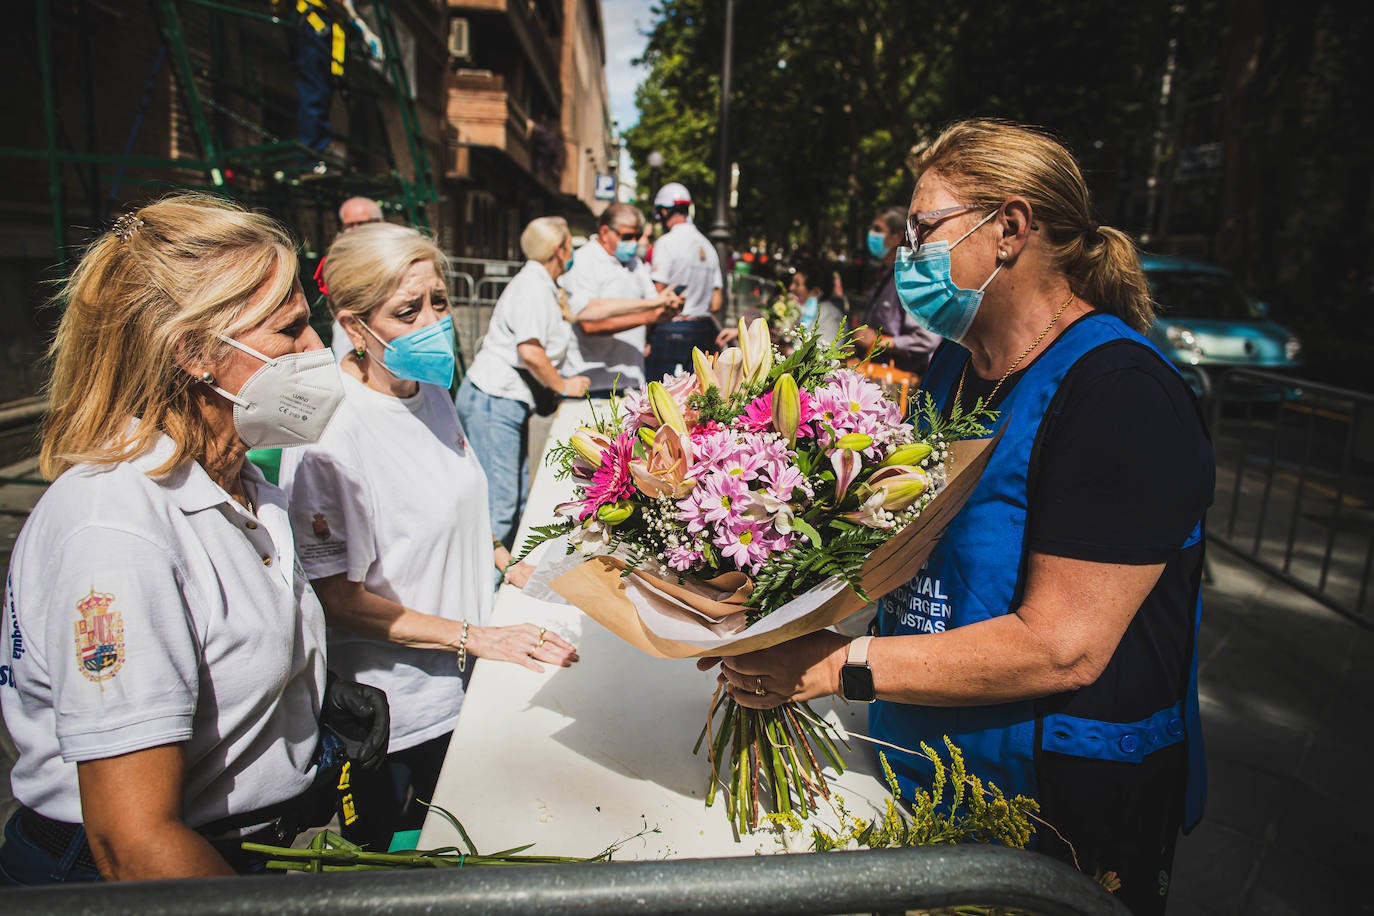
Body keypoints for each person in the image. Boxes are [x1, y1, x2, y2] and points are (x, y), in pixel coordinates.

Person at [706, 118, 1214, 915]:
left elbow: (1062, 647)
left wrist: (837, 664)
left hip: (1054, 811)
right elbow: (910, 538)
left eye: (924, 228)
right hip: (923, 763)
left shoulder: (1121, 394)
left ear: (1009, 229)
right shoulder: (956, 362)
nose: (906, 254)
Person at [0, 194, 389, 884]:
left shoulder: (242, 486)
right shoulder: (117, 529)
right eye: (292, 329)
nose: (316, 351)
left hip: (247, 852)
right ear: (193, 353)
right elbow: (133, 843)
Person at [279, 222, 578, 852]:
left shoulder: (434, 393)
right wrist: (474, 637)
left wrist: (508, 563)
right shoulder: (332, 434)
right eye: (407, 310)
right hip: (402, 720)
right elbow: (340, 600)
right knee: (418, 866)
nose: (433, 320)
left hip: (473, 682)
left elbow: (456, 505)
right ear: (356, 326)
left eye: (438, 301)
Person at [457, 217, 665, 550]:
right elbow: (531, 350)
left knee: (516, 497)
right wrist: (563, 384)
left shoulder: (545, 283)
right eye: (571, 244)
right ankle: (491, 584)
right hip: (494, 401)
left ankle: (499, 577)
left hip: (504, 403)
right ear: (560, 248)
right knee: (501, 506)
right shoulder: (532, 287)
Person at [559, 203, 684, 397]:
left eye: (637, 235)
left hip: (632, 380)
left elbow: (654, 306)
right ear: (605, 232)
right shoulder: (584, 261)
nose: (634, 242)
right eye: (627, 237)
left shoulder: (636, 264)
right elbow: (588, 324)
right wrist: (649, 317)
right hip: (591, 381)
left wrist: (669, 309)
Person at [851, 206, 941, 375]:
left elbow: (927, 340)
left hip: (898, 381)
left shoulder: (912, 279)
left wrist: (880, 342)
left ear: (896, 237)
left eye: (878, 229)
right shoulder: (886, 275)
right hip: (875, 372)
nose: (871, 234)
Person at [647, 182, 723, 381]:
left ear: (663, 212)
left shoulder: (665, 243)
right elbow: (716, 302)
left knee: (662, 397)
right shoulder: (708, 246)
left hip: (671, 329)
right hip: (703, 329)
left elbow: (657, 294)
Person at [326, 196, 388, 360]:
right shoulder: (338, 257)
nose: (355, 230)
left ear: (380, 222)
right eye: (349, 225)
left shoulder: (394, 251)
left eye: (361, 224)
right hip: (350, 329)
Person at [788, 258, 845, 346]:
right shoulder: (800, 310)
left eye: (797, 284)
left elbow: (826, 353)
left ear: (816, 292)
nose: (791, 288)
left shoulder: (831, 317)